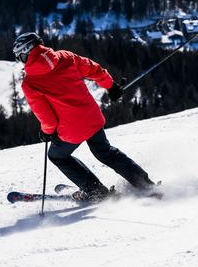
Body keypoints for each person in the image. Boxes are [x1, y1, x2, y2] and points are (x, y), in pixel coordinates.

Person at [13, 32, 155, 201]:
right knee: (105, 152)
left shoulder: (30, 83)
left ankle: (97, 193)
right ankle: (145, 184)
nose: (21, 62)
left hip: (70, 130)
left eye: (20, 57)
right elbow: (94, 69)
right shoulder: (65, 56)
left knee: (58, 156)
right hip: (92, 118)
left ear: (27, 52)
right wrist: (111, 86)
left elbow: (48, 118)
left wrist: (47, 131)